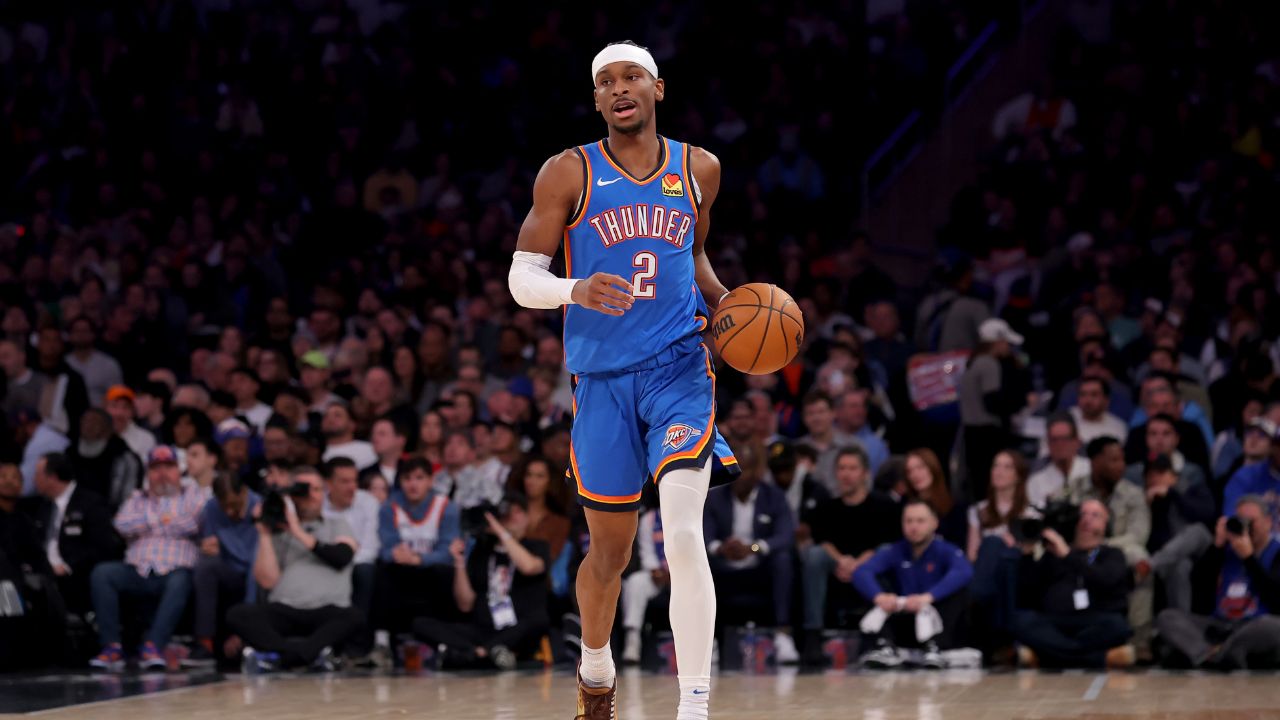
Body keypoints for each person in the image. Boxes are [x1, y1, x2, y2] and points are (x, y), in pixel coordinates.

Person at [508, 40, 735, 720]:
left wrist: (728, 305)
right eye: (606, 80)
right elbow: (523, 278)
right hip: (602, 379)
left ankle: (694, 705)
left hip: (679, 369)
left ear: (658, 87)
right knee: (608, 553)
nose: (619, 87)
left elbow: (693, 255)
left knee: (683, 530)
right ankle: (596, 668)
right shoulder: (567, 172)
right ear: (597, 98)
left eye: (631, 75)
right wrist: (575, 288)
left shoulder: (699, 168)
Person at [227, 467, 364, 671]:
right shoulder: (277, 532)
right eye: (304, 490)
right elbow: (267, 581)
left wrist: (297, 530)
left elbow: (342, 557)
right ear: (292, 496)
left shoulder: (337, 523)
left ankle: (281, 658)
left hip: (328, 609)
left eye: (316, 489)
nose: (311, 496)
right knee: (238, 614)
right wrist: (264, 534)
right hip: (286, 608)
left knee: (354, 616)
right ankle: (305, 654)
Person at [88, 445, 205, 671]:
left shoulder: (193, 493)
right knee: (103, 573)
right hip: (137, 570)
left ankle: (154, 646)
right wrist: (166, 521)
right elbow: (121, 525)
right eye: (155, 468)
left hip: (175, 570)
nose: (162, 473)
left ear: (179, 470)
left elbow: (193, 522)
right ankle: (111, 648)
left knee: (180, 580)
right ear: (148, 473)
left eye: (168, 467)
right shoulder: (137, 497)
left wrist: (147, 524)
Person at [412, 494, 551, 671]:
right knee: (420, 624)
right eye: (507, 513)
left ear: (527, 517)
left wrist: (501, 531)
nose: (510, 517)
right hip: (483, 628)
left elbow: (529, 567)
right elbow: (465, 604)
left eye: (517, 512)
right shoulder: (483, 550)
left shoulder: (537, 546)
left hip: (517, 627)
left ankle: (471, 655)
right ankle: (484, 653)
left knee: (540, 619)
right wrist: (460, 562)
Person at [800, 446, 900, 663]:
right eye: (842, 468)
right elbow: (822, 541)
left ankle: (882, 635)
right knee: (815, 555)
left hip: (870, 565)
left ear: (865, 473)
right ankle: (813, 635)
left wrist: (858, 565)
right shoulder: (827, 506)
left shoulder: (884, 505)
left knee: (885, 553)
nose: (846, 474)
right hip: (837, 564)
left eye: (853, 468)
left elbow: (885, 544)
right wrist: (842, 561)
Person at [1156, 495, 1280, 669]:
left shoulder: (1276, 552)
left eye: (1251, 521)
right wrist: (1217, 545)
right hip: (1219, 627)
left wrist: (1249, 559)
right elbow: (1198, 588)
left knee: (1274, 626)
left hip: (1253, 626)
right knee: (1167, 617)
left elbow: (1276, 600)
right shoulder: (1226, 550)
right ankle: (1214, 655)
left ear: (1268, 522)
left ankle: (1213, 655)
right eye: (1240, 521)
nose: (1246, 527)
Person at [703, 443, 797, 663]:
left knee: (783, 560)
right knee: (700, 562)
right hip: (724, 563)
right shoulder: (715, 497)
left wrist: (754, 548)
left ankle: (783, 634)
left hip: (759, 566)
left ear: (758, 472)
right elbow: (703, 534)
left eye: (746, 470)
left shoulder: (774, 497)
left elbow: (785, 536)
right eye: (736, 469)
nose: (741, 476)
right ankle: (709, 642)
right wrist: (720, 548)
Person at [1013, 499, 1134, 668]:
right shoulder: (1054, 551)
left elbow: (1106, 580)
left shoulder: (1112, 554)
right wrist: (1027, 555)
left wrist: (1068, 555)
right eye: (1083, 514)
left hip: (1094, 622)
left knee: (1118, 626)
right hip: (1056, 622)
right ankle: (1098, 658)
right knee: (1021, 620)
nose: (1087, 519)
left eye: (1095, 515)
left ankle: (1046, 657)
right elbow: (1028, 593)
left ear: (1106, 524)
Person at [853, 499, 974, 669]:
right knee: (874, 584)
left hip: (938, 622)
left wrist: (928, 597)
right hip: (905, 619)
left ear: (934, 523)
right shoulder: (895, 550)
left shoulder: (946, 550)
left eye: (920, 521)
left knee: (959, 591)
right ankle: (885, 646)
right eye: (908, 521)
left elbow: (964, 571)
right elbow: (861, 572)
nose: (913, 527)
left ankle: (935, 647)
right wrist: (880, 597)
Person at [371, 457, 460, 659]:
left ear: (431, 480)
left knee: (445, 571)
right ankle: (381, 641)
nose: (413, 484)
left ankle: (443, 640)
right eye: (407, 478)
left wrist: (420, 559)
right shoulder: (389, 507)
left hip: (430, 568)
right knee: (383, 570)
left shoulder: (446, 506)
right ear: (400, 482)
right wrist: (395, 554)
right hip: (402, 568)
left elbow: (448, 549)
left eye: (419, 478)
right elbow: (385, 546)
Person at [26, 453, 121, 616]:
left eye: (37, 474)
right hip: (41, 574)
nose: (34, 479)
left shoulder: (91, 502)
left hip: (75, 578)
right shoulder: (42, 506)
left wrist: (68, 567)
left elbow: (104, 547)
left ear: (52, 477)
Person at [188, 472, 260, 667]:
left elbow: (256, 564)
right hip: (230, 569)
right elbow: (209, 546)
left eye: (234, 505)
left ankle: (249, 639)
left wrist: (242, 629)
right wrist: (206, 547)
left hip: (257, 572)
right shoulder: (211, 508)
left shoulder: (259, 508)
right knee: (205, 566)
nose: (229, 512)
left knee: (262, 576)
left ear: (244, 492)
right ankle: (204, 642)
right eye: (224, 506)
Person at [322, 457, 381, 619]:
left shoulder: (368, 502)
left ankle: (358, 632)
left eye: (354, 481)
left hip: (355, 564)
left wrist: (343, 563)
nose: (352, 487)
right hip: (324, 563)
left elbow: (370, 548)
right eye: (344, 482)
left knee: (365, 570)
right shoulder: (317, 504)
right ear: (328, 484)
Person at [904, 449, 967, 546]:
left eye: (920, 467)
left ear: (933, 468)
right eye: (910, 471)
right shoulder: (903, 506)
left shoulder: (955, 508)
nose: (915, 475)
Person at [1027, 415, 1090, 507]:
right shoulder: (1036, 481)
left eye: (1065, 439)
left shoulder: (1091, 470)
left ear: (1077, 442)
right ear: (1048, 444)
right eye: (1054, 440)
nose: (1060, 445)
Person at [1069, 377, 1128, 447]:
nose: (1088, 400)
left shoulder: (1118, 427)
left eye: (1094, 395)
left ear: (1106, 400)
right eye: (1083, 394)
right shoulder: (1066, 418)